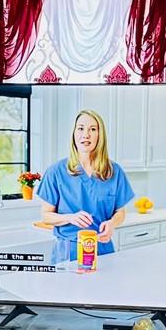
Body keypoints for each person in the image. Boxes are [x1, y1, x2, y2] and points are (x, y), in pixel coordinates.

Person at [32, 109, 137, 265]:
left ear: (100, 136)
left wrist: (112, 223)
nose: (86, 134)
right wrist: (70, 218)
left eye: (92, 129)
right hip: (68, 253)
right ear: (74, 133)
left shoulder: (114, 171)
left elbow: (120, 212)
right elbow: (46, 216)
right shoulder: (56, 171)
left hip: (103, 250)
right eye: (81, 128)